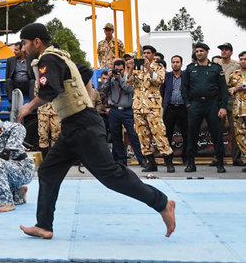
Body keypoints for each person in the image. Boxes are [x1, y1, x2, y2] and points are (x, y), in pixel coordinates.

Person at [16, 23, 175, 239]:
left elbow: (50, 90)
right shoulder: (60, 56)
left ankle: (162, 203)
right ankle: (44, 225)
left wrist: (28, 106)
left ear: (36, 41)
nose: (23, 49)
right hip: (74, 125)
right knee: (48, 171)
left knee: (111, 176)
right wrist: (85, 93)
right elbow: (84, 71)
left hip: (83, 125)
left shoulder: (48, 58)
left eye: (24, 44)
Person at [125, 45, 174, 172]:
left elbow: (158, 81)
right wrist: (130, 69)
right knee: (142, 135)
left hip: (153, 107)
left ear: (153, 55)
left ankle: (168, 161)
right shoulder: (137, 68)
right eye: (144, 53)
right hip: (138, 107)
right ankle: (151, 162)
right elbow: (128, 82)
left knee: (159, 134)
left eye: (148, 53)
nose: (145, 55)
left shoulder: (159, 67)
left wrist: (149, 68)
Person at [182, 42, 228, 173]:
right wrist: (188, 104)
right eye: (197, 51)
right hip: (195, 105)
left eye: (201, 51)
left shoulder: (215, 68)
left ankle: (220, 163)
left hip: (212, 104)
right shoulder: (190, 68)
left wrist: (223, 106)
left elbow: (223, 89)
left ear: (207, 52)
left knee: (216, 134)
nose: (199, 53)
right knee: (192, 134)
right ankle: (191, 163)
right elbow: (184, 88)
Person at [103, 60, 146, 166]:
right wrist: (109, 78)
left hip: (127, 111)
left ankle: (141, 159)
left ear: (124, 68)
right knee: (116, 137)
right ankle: (121, 161)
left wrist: (120, 79)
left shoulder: (129, 78)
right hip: (114, 111)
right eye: (116, 69)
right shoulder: (111, 79)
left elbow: (128, 89)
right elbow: (104, 89)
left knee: (133, 135)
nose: (119, 72)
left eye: (121, 70)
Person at [217, 42, 243, 166]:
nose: (224, 52)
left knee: (236, 131)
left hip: (233, 101)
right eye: (222, 50)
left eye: (226, 50)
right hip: (219, 101)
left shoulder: (237, 66)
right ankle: (218, 158)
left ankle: (237, 158)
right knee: (217, 130)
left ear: (231, 52)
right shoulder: (216, 65)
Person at [160, 55, 189, 163]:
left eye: (177, 62)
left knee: (186, 134)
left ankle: (186, 157)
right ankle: (168, 158)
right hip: (170, 108)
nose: (175, 64)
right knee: (168, 134)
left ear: (181, 64)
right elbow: (162, 91)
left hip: (183, 108)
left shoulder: (186, 76)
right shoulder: (166, 76)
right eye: (173, 62)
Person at [227, 51, 246, 172]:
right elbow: (228, 89)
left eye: (245, 59)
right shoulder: (234, 75)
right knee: (240, 136)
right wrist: (234, 88)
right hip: (238, 110)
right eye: (241, 59)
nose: (243, 61)